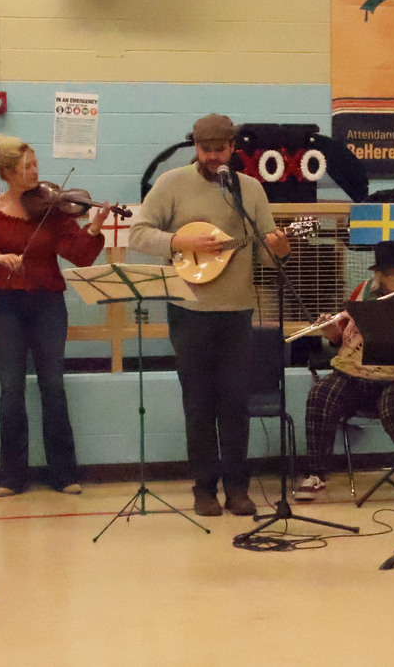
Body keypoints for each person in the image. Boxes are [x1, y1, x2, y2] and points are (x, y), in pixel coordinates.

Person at [128, 113, 290, 517]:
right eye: (206, 149)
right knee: (198, 403)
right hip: (189, 310)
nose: (214, 157)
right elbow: (138, 233)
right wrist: (179, 239)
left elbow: (267, 252)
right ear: (195, 148)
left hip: (237, 310)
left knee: (236, 404)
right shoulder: (172, 184)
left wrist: (280, 248)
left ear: (233, 147)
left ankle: (238, 488)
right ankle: (204, 488)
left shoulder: (249, 189)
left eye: (221, 149)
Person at [0, 134, 111, 497]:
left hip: (47, 304)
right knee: (11, 389)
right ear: (10, 172)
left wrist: (93, 227)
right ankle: (12, 477)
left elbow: (79, 255)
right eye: (29, 167)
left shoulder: (52, 210)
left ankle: (64, 473)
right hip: (5, 305)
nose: (36, 172)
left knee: (53, 386)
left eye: (36, 165)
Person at [296, 239, 394, 502]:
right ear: (380, 277)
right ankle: (316, 474)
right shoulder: (363, 292)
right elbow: (343, 339)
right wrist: (330, 331)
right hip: (359, 376)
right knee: (322, 393)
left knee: (393, 403)